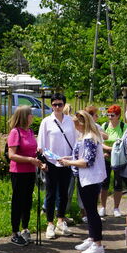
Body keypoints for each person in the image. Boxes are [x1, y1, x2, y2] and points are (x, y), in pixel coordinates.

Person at [60, 111, 107, 253]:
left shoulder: (89, 138)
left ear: (82, 123)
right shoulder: (85, 137)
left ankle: (97, 243)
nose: (74, 127)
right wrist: (67, 158)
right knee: (89, 209)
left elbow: (87, 161)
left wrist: (68, 162)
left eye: (75, 124)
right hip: (85, 178)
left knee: (91, 211)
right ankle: (92, 237)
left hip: (90, 179)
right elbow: (81, 156)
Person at [37, 92, 76, 240]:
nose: (57, 107)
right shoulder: (46, 122)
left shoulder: (70, 121)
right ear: (51, 106)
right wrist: (45, 161)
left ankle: (61, 221)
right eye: (54, 104)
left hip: (66, 162)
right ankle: (50, 224)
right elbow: (41, 145)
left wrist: (71, 159)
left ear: (64, 105)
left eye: (60, 104)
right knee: (51, 193)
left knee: (64, 193)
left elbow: (74, 142)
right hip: (52, 163)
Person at [8, 105, 45, 247]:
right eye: (30, 114)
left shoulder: (29, 131)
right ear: (24, 116)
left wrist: (40, 160)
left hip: (30, 171)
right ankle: (15, 232)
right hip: (18, 172)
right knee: (18, 201)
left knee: (27, 201)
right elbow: (12, 155)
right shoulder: (15, 132)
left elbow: (32, 151)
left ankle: (25, 228)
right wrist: (30, 160)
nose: (33, 116)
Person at [101, 105, 126, 217]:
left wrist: (115, 149)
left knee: (117, 183)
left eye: (112, 115)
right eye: (108, 115)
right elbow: (99, 141)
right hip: (106, 156)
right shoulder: (104, 126)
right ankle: (103, 207)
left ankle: (116, 208)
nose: (110, 117)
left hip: (118, 158)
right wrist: (107, 149)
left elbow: (125, 141)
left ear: (118, 116)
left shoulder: (123, 126)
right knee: (104, 183)